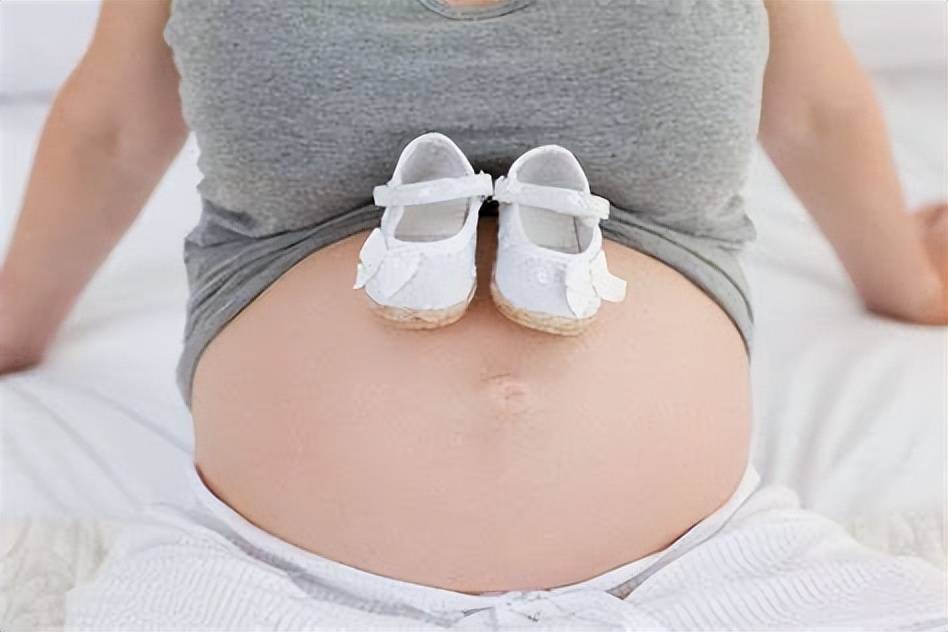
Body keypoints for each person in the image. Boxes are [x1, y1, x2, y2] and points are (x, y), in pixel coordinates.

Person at [2, 0, 945, 629]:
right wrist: (11, 325)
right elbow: (110, 132)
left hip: (705, 571)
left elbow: (816, 112)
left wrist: (909, 281)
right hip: (260, 579)